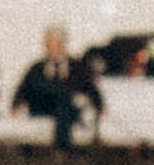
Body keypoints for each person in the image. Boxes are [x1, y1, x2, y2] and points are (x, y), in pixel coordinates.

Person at [13, 24, 101, 153]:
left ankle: (60, 148)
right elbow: (24, 87)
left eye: (55, 44)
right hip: (43, 106)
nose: (52, 48)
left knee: (64, 104)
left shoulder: (77, 66)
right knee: (48, 89)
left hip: (66, 108)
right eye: (49, 44)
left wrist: (99, 107)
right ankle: (63, 148)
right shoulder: (37, 67)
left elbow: (91, 88)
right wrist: (15, 105)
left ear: (63, 44)